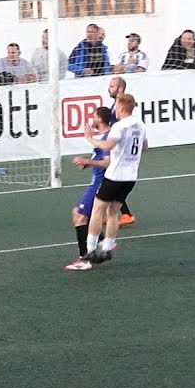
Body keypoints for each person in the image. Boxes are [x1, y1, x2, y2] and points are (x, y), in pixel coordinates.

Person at [78, 94, 146, 268]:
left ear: (122, 108)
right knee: (114, 211)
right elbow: (144, 147)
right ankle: (107, 248)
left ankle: (91, 250)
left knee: (97, 210)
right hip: (131, 176)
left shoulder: (119, 126)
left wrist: (89, 138)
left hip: (115, 175)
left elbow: (107, 146)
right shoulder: (140, 124)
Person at [64, 107, 112, 271]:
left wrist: (87, 161)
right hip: (97, 182)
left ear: (99, 120)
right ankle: (104, 242)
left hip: (99, 184)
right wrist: (87, 163)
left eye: (94, 116)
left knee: (79, 217)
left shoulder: (107, 139)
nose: (92, 119)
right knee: (82, 215)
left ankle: (85, 259)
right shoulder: (103, 139)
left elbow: (107, 162)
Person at [106, 77, 136, 228]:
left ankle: (126, 214)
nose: (108, 89)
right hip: (117, 149)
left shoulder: (122, 107)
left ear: (120, 89)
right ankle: (118, 213)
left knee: (113, 181)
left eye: (112, 86)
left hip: (119, 150)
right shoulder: (115, 105)